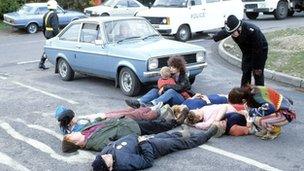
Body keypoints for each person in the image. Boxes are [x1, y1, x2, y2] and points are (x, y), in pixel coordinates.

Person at [91, 125, 219, 171]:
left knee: (168, 135)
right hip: (152, 146)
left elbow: (112, 145)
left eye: (102, 156)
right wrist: (143, 143)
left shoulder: (104, 154)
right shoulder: (124, 163)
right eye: (104, 159)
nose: (105, 155)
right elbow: (147, 161)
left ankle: (186, 133)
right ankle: (206, 135)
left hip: (145, 139)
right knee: (179, 143)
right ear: (110, 167)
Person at [213, 15, 268, 87]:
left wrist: (257, 66)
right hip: (247, 51)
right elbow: (224, 33)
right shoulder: (233, 29)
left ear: (239, 28)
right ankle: (244, 93)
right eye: (230, 33)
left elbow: (258, 51)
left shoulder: (253, 31)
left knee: (257, 73)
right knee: (246, 71)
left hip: (260, 50)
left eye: (233, 32)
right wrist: (214, 37)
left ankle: (260, 94)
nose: (232, 34)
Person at [228, 85, 296, 139]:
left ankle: (275, 130)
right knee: (252, 113)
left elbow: (271, 108)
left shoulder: (257, 97)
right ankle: (265, 129)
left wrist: (253, 112)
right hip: (282, 109)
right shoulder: (252, 91)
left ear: (243, 100)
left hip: (286, 114)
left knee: (257, 118)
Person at [125, 56, 192, 108]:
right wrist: (159, 87)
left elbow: (179, 88)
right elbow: (164, 82)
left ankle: (153, 104)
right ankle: (138, 102)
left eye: (173, 67)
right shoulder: (171, 74)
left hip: (182, 99)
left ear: (179, 68)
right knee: (155, 90)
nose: (171, 69)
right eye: (170, 67)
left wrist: (164, 87)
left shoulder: (183, 77)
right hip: (170, 97)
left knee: (171, 91)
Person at [54, 104, 163, 135]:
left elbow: (63, 124)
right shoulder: (77, 129)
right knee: (133, 115)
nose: (75, 116)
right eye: (73, 116)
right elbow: (94, 126)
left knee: (127, 111)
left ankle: (147, 108)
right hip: (106, 121)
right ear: (69, 120)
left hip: (103, 117)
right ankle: (156, 111)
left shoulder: (67, 127)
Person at [61, 118, 141, 152]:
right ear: (76, 143)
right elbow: (116, 144)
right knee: (151, 122)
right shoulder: (96, 144)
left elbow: (94, 124)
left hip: (121, 121)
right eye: (71, 135)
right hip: (129, 128)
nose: (73, 132)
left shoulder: (83, 132)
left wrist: (99, 118)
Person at [39, 0, 60, 70]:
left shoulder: (46, 14)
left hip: (47, 33)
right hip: (52, 34)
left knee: (49, 48)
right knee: (56, 49)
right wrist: (58, 36)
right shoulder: (54, 14)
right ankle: (42, 63)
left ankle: (41, 63)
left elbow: (43, 27)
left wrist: (45, 34)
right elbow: (55, 27)